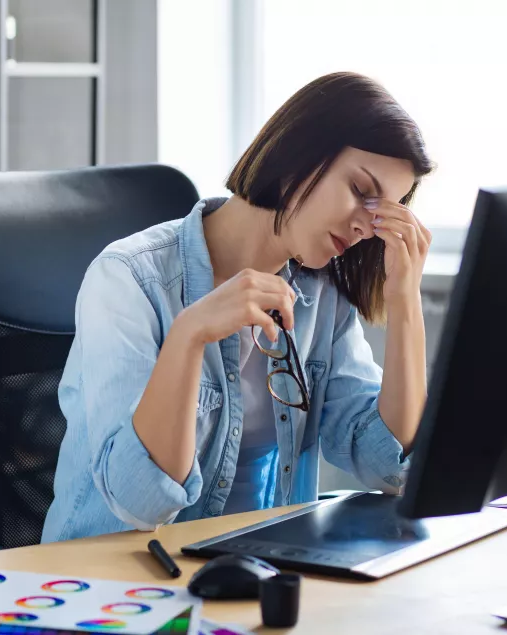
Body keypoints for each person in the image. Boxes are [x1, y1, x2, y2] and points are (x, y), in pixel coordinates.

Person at [41, 72, 434, 542]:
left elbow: (385, 466)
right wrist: (190, 336)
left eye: (384, 212)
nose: (365, 228)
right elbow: (140, 503)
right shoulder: (128, 278)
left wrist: (405, 303)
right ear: (299, 156)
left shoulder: (322, 296)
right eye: (359, 191)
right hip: (112, 586)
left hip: (255, 571)